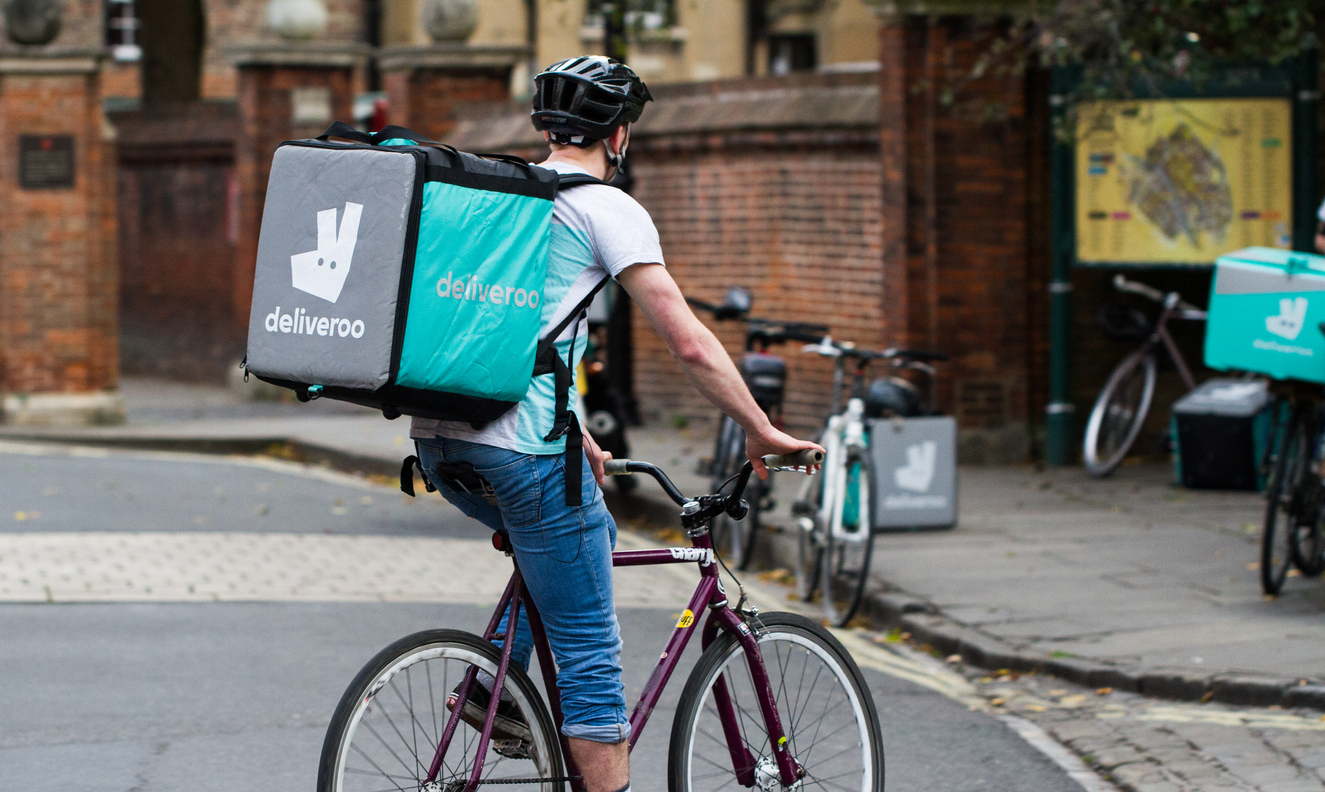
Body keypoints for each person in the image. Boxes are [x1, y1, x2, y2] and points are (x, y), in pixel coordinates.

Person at [410, 56, 822, 792]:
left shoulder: (504, 197)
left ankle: (494, 691)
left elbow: (517, 334)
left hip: (439, 439)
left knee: (570, 548)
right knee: (590, 647)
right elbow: (689, 342)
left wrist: (582, 434)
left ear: (545, 128)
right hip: (521, 451)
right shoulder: (607, 207)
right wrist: (761, 429)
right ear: (619, 134)